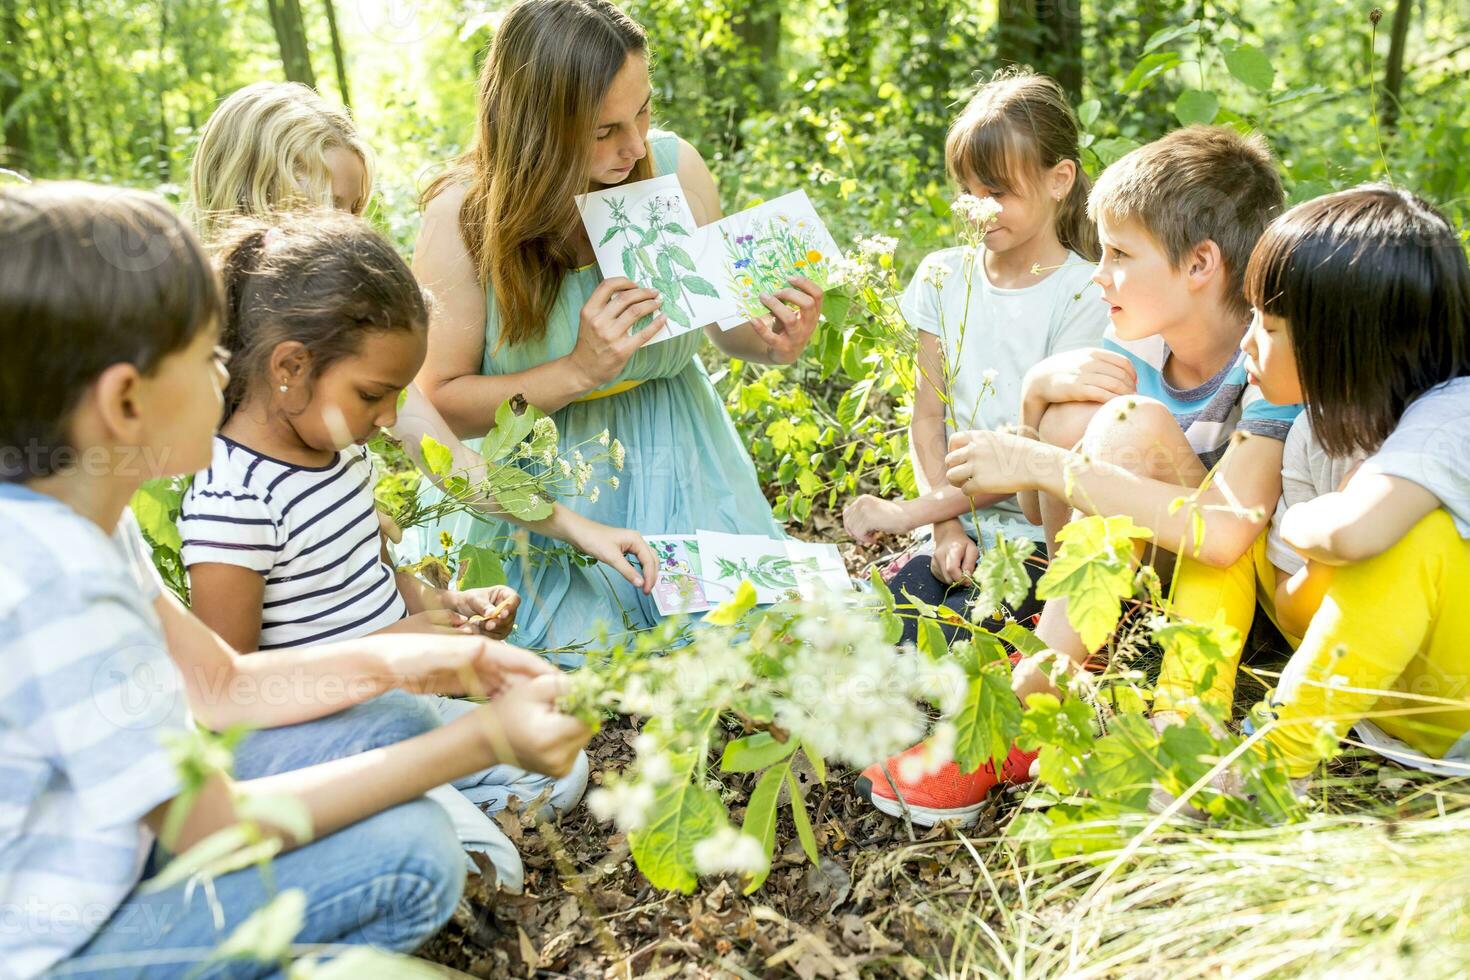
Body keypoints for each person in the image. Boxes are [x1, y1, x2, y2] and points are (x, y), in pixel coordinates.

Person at [0, 181, 590, 977]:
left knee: (400, 731)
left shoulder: (86, 521)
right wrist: (479, 739)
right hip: (62, 948)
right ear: (125, 400)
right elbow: (209, 823)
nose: (226, 373)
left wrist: (427, 659)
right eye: (206, 356)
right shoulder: (56, 585)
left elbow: (222, 685)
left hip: (123, 853)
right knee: (414, 856)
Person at [861, 125, 1295, 825]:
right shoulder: (1134, 345)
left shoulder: (1271, 357)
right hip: (1141, 589)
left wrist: (1037, 457)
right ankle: (1079, 655)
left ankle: (1039, 689)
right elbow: (1040, 511)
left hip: (1232, 602)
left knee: (1129, 422)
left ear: (1200, 264)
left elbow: (1224, 534)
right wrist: (1036, 397)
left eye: (1120, 255)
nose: (1099, 275)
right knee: (1076, 412)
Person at [177, 212, 588, 892]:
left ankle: (427, 807)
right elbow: (235, 698)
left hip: (398, 702)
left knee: (561, 763)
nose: (392, 417)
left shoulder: (336, 451)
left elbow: (373, 574)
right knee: (498, 868)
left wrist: (444, 607)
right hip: (326, 736)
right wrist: (394, 649)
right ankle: (396, 821)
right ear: (290, 367)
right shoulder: (235, 500)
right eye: (374, 394)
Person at [410, 0, 825, 659]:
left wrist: (770, 340)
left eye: (644, 111)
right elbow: (439, 409)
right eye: (604, 130)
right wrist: (576, 370)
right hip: (546, 488)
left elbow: (723, 329)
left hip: (685, 460)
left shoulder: (675, 166)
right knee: (577, 660)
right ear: (535, 129)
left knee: (754, 642)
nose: (634, 147)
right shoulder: (462, 218)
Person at [187, 79, 657, 593]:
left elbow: (447, 459)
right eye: (326, 210)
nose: (347, 230)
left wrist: (578, 528)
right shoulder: (201, 360)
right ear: (256, 202)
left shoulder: (351, 326)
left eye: (353, 210)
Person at [1157, 185, 1470, 779]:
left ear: (1353, 342)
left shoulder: (1455, 413)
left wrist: (1307, 524)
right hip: (1387, 704)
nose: (1247, 341)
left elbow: (1355, 534)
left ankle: (1274, 767)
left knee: (1409, 534)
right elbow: (1302, 606)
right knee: (1229, 517)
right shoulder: (1310, 432)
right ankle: (1183, 718)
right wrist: (1302, 539)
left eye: (1270, 327)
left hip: (1457, 704)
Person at [842, 67, 1108, 644]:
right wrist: (944, 526)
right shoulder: (943, 276)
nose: (978, 210)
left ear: (1060, 179)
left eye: (999, 193)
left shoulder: (1084, 290)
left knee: (976, 641)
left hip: (1041, 533)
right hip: (956, 520)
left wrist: (910, 512)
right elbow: (927, 418)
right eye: (968, 192)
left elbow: (1034, 450)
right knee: (883, 630)